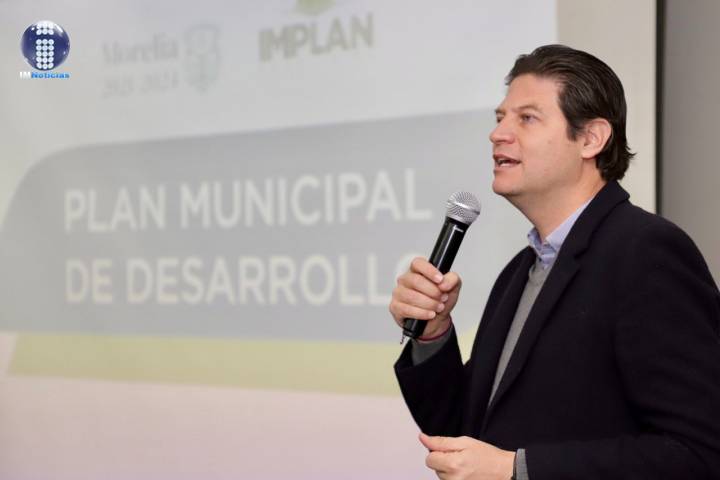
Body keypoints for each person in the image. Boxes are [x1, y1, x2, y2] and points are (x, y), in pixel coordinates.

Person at [390, 44, 720, 480]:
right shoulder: (519, 272)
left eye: (526, 118)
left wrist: (517, 469)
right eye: (500, 118)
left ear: (591, 138)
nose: (498, 134)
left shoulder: (647, 252)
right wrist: (433, 335)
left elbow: (698, 454)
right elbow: (463, 434)